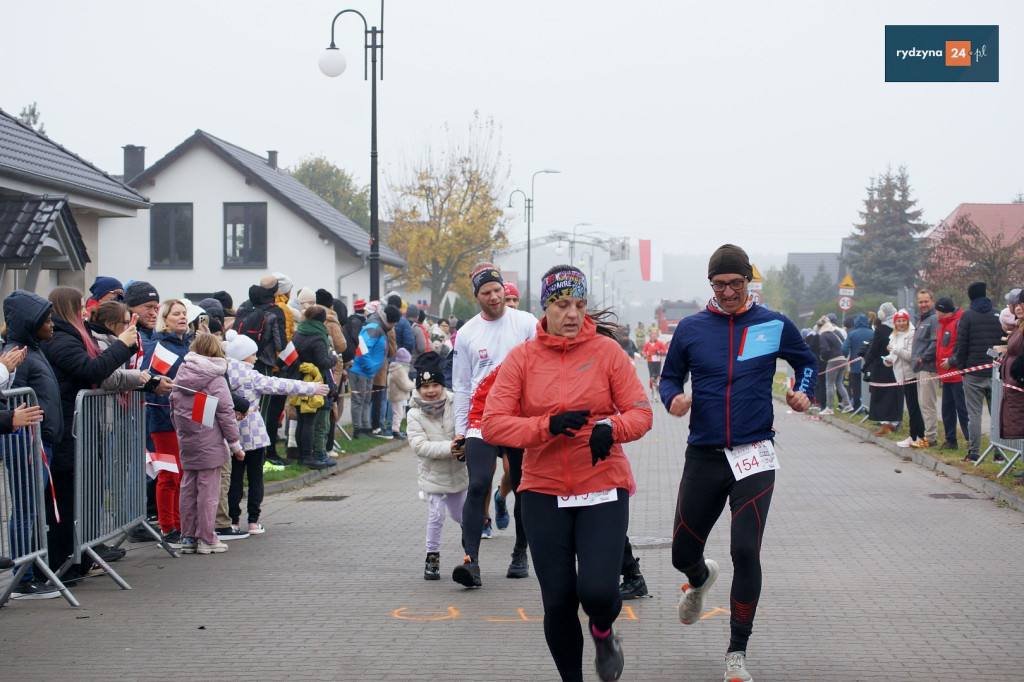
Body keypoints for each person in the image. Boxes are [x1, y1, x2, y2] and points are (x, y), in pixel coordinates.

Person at [482, 264, 653, 682]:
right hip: (543, 490)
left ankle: (602, 630)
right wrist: (547, 426)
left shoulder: (607, 352)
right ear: (546, 308)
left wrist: (610, 428)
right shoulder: (522, 359)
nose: (573, 314)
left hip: (601, 484)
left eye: (579, 304)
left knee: (598, 592)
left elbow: (641, 413)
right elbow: (493, 424)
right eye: (563, 304)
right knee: (557, 600)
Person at [659, 244, 815, 682]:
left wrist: (803, 394)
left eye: (736, 284)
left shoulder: (772, 323)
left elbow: (806, 363)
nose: (728, 292)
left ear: (749, 282)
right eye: (720, 284)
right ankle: (698, 576)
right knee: (681, 553)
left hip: (753, 454)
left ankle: (736, 652)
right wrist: (673, 399)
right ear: (710, 284)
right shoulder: (691, 328)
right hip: (705, 453)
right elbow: (669, 377)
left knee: (745, 550)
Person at [451, 263, 537, 587]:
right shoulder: (468, 333)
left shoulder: (526, 323)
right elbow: (461, 385)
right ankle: (470, 561)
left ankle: (520, 552)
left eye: (497, 290)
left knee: (523, 487)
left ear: (505, 290)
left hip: (519, 417)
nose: (494, 296)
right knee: (478, 484)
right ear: (477, 296)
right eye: (486, 292)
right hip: (481, 418)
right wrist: (460, 429)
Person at [42, 286, 138, 576]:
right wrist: (122, 345)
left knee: (82, 499)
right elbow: (92, 371)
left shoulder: (70, 335)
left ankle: (79, 559)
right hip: (67, 432)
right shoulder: (61, 339)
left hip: (79, 431)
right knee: (67, 502)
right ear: (66, 308)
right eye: (80, 307)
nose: (85, 312)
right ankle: (64, 565)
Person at [224, 330, 328, 534]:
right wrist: (310, 388)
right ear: (244, 356)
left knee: (234, 478)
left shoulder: (224, 373)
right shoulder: (251, 375)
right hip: (253, 432)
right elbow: (280, 385)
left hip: (231, 432)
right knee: (255, 478)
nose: (255, 358)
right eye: (253, 354)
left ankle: (233, 520)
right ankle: (253, 521)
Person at [2, 291, 63, 598]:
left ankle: (28, 571)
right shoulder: (17, 354)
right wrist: (18, 438)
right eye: (46, 319)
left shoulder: (34, 350)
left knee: (32, 509)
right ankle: (21, 578)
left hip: (39, 441)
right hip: (25, 443)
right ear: (31, 323)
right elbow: (7, 400)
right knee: (26, 509)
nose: (51, 325)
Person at [169, 334, 244, 555]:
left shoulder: (181, 374)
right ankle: (207, 538)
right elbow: (226, 413)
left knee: (188, 488)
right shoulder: (215, 378)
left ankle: (188, 537)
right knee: (208, 491)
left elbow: (173, 408)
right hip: (209, 441)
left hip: (187, 439)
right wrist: (235, 444)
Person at [407, 352, 468, 580]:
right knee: (436, 515)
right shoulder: (414, 414)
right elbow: (419, 445)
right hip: (432, 475)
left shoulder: (456, 404)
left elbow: (465, 427)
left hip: (457, 472)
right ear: (419, 389)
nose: (431, 390)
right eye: (425, 386)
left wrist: (464, 445)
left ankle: (470, 552)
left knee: (461, 515)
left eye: (435, 384)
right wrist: (448, 448)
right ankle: (432, 557)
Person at [141, 299, 192, 546]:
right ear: (165, 318)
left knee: (181, 474)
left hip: (185, 420)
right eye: (176, 314)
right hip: (163, 419)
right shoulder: (160, 347)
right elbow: (148, 382)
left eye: (184, 313)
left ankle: (181, 525)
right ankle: (168, 527)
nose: (182, 317)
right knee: (169, 475)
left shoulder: (188, 346)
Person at [952, 281, 1005, 462]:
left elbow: (961, 345)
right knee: (996, 414)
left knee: (974, 414)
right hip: (995, 372)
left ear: (970, 297)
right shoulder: (998, 313)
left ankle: (974, 453)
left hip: (973, 373)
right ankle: (999, 454)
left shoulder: (967, 316)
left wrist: (962, 368)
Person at [288, 305, 340, 469]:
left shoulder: (299, 332)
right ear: (321, 320)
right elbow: (323, 361)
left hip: (300, 378)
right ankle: (309, 457)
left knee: (302, 420)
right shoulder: (318, 336)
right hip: (314, 380)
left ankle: (302, 455)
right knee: (310, 421)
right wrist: (334, 358)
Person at [349, 303, 400, 438]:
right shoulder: (374, 327)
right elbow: (362, 348)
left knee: (366, 400)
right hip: (361, 369)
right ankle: (358, 429)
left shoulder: (380, 327)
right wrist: (370, 366)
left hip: (369, 371)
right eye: (393, 324)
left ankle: (366, 428)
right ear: (389, 321)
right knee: (359, 400)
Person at [884, 309, 924, 447]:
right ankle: (913, 435)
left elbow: (909, 356)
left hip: (911, 375)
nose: (901, 323)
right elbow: (895, 355)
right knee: (910, 406)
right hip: (900, 375)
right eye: (898, 321)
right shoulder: (894, 335)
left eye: (903, 320)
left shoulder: (911, 334)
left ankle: (917, 435)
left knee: (914, 407)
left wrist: (894, 349)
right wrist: (888, 359)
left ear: (908, 321)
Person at [863, 303, 903, 435]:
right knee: (894, 394)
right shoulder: (898, 328)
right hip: (896, 366)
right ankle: (894, 423)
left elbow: (873, 349)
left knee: (881, 395)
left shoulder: (880, 330)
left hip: (881, 367)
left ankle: (885, 423)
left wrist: (866, 362)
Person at [935, 298, 969, 450]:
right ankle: (950, 440)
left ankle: (970, 440)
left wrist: (952, 361)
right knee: (947, 410)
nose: (935, 313)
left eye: (937, 310)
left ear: (942, 310)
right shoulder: (944, 324)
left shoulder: (958, 322)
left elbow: (963, 347)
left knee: (963, 410)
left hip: (957, 375)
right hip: (946, 375)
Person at [910, 289, 940, 448]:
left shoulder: (934, 319)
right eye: (920, 302)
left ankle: (931, 438)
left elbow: (934, 342)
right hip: (920, 368)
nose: (923, 304)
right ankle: (929, 436)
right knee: (923, 403)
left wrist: (922, 359)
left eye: (926, 301)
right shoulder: (922, 319)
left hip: (928, 368)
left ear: (932, 301)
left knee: (928, 404)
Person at [999, 291, 1024, 448]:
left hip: (1019, 382)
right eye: (1017, 305)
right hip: (1015, 383)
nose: (1019, 308)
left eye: (1022, 304)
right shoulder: (1019, 327)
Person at [816, 315, 852, 414]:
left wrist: (823, 358)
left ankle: (830, 408)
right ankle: (848, 404)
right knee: (839, 383)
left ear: (820, 326)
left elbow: (825, 349)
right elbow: (844, 345)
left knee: (829, 384)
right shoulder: (836, 332)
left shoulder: (823, 335)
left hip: (833, 360)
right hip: (843, 360)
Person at [841, 313, 873, 411]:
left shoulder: (852, 334)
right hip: (869, 365)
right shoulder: (872, 333)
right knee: (869, 388)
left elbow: (844, 348)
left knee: (856, 389)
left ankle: (857, 407)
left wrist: (846, 358)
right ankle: (868, 408)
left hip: (855, 366)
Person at [387, 347, 415, 439]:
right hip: (397, 395)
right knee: (398, 413)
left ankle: (397, 428)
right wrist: (413, 384)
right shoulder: (399, 371)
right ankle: (395, 430)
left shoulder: (396, 369)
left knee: (398, 412)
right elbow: (405, 385)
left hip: (397, 394)